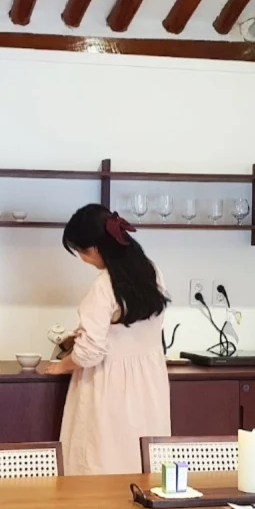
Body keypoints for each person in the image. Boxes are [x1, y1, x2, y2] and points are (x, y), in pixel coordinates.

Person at [44, 203, 171, 475]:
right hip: (150, 384)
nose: (81, 258)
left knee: (102, 465)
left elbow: (89, 353)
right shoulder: (152, 271)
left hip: (110, 387)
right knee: (143, 464)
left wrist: (61, 365)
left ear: (94, 248)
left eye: (80, 251)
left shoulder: (104, 286)